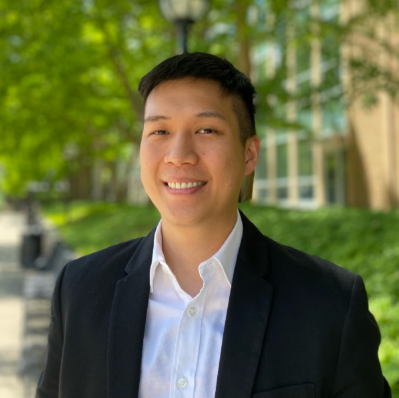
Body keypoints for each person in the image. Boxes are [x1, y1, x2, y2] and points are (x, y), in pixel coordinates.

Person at [36, 52, 391, 398]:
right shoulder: (80, 290)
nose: (179, 154)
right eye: (159, 131)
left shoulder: (329, 304)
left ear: (249, 154)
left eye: (207, 129)